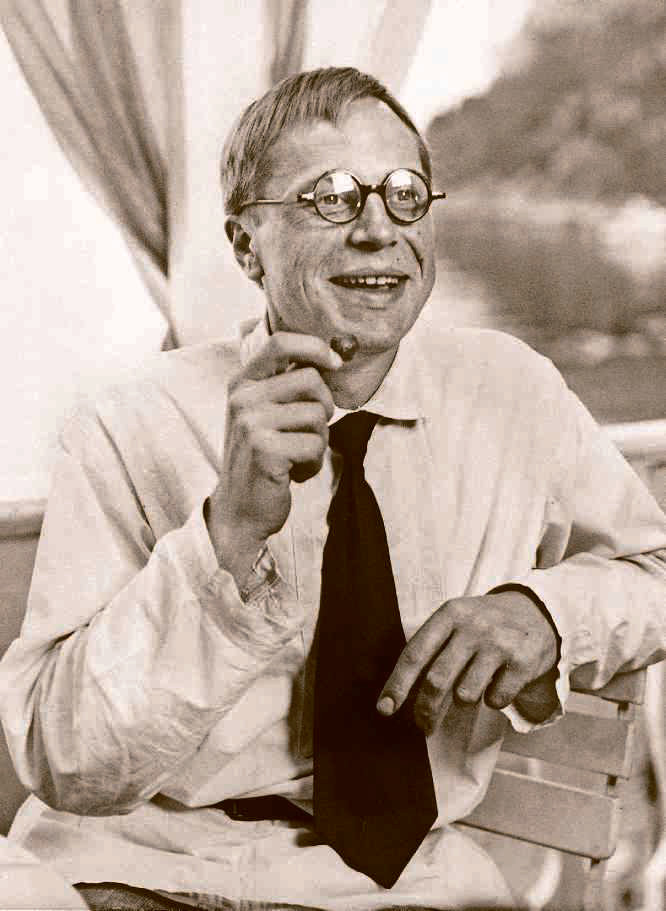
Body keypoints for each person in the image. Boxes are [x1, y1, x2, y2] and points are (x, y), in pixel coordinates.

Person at [1, 66, 665, 911]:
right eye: (333, 198)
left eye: (405, 196)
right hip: (142, 868)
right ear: (247, 245)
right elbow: (61, 755)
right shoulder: (127, 425)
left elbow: (655, 569)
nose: (378, 231)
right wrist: (226, 535)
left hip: (401, 884)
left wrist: (548, 613)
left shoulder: (514, 392)